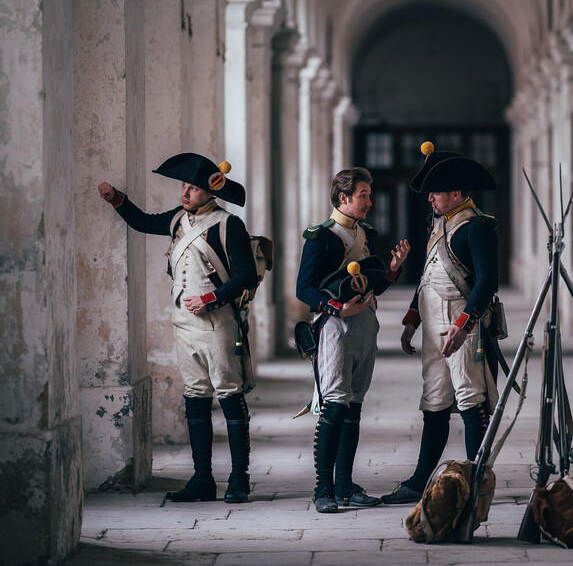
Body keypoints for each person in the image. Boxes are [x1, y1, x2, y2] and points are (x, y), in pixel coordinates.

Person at [98, 153, 258, 504]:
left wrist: (212, 298)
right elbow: (141, 222)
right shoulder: (177, 220)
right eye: (184, 187)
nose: (186, 193)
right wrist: (116, 199)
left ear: (211, 192)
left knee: (230, 397)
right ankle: (202, 479)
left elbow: (246, 274)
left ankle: (239, 480)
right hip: (183, 324)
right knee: (195, 400)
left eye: (194, 188)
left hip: (217, 323)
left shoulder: (228, 225)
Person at [381, 143, 501, 505]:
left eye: (436, 192)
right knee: (433, 400)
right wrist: (413, 319)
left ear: (457, 193)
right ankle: (420, 481)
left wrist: (464, 326)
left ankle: (476, 478)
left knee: (470, 398)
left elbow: (486, 283)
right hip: (434, 325)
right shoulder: (440, 224)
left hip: (462, 326)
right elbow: (427, 277)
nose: (430, 198)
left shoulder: (477, 227)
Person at [296, 167, 410, 514]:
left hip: (364, 326)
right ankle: (323, 489)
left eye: (369, 195)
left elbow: (371, 287)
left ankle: (344, 484)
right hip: (334, 327)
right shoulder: (322, 237)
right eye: (363, 195)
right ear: (343, 198)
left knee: (354, 406)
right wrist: (335, 308)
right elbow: (304, 288)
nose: (370, 202)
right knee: (334, 407)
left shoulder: (364, 234)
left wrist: (392, 269)